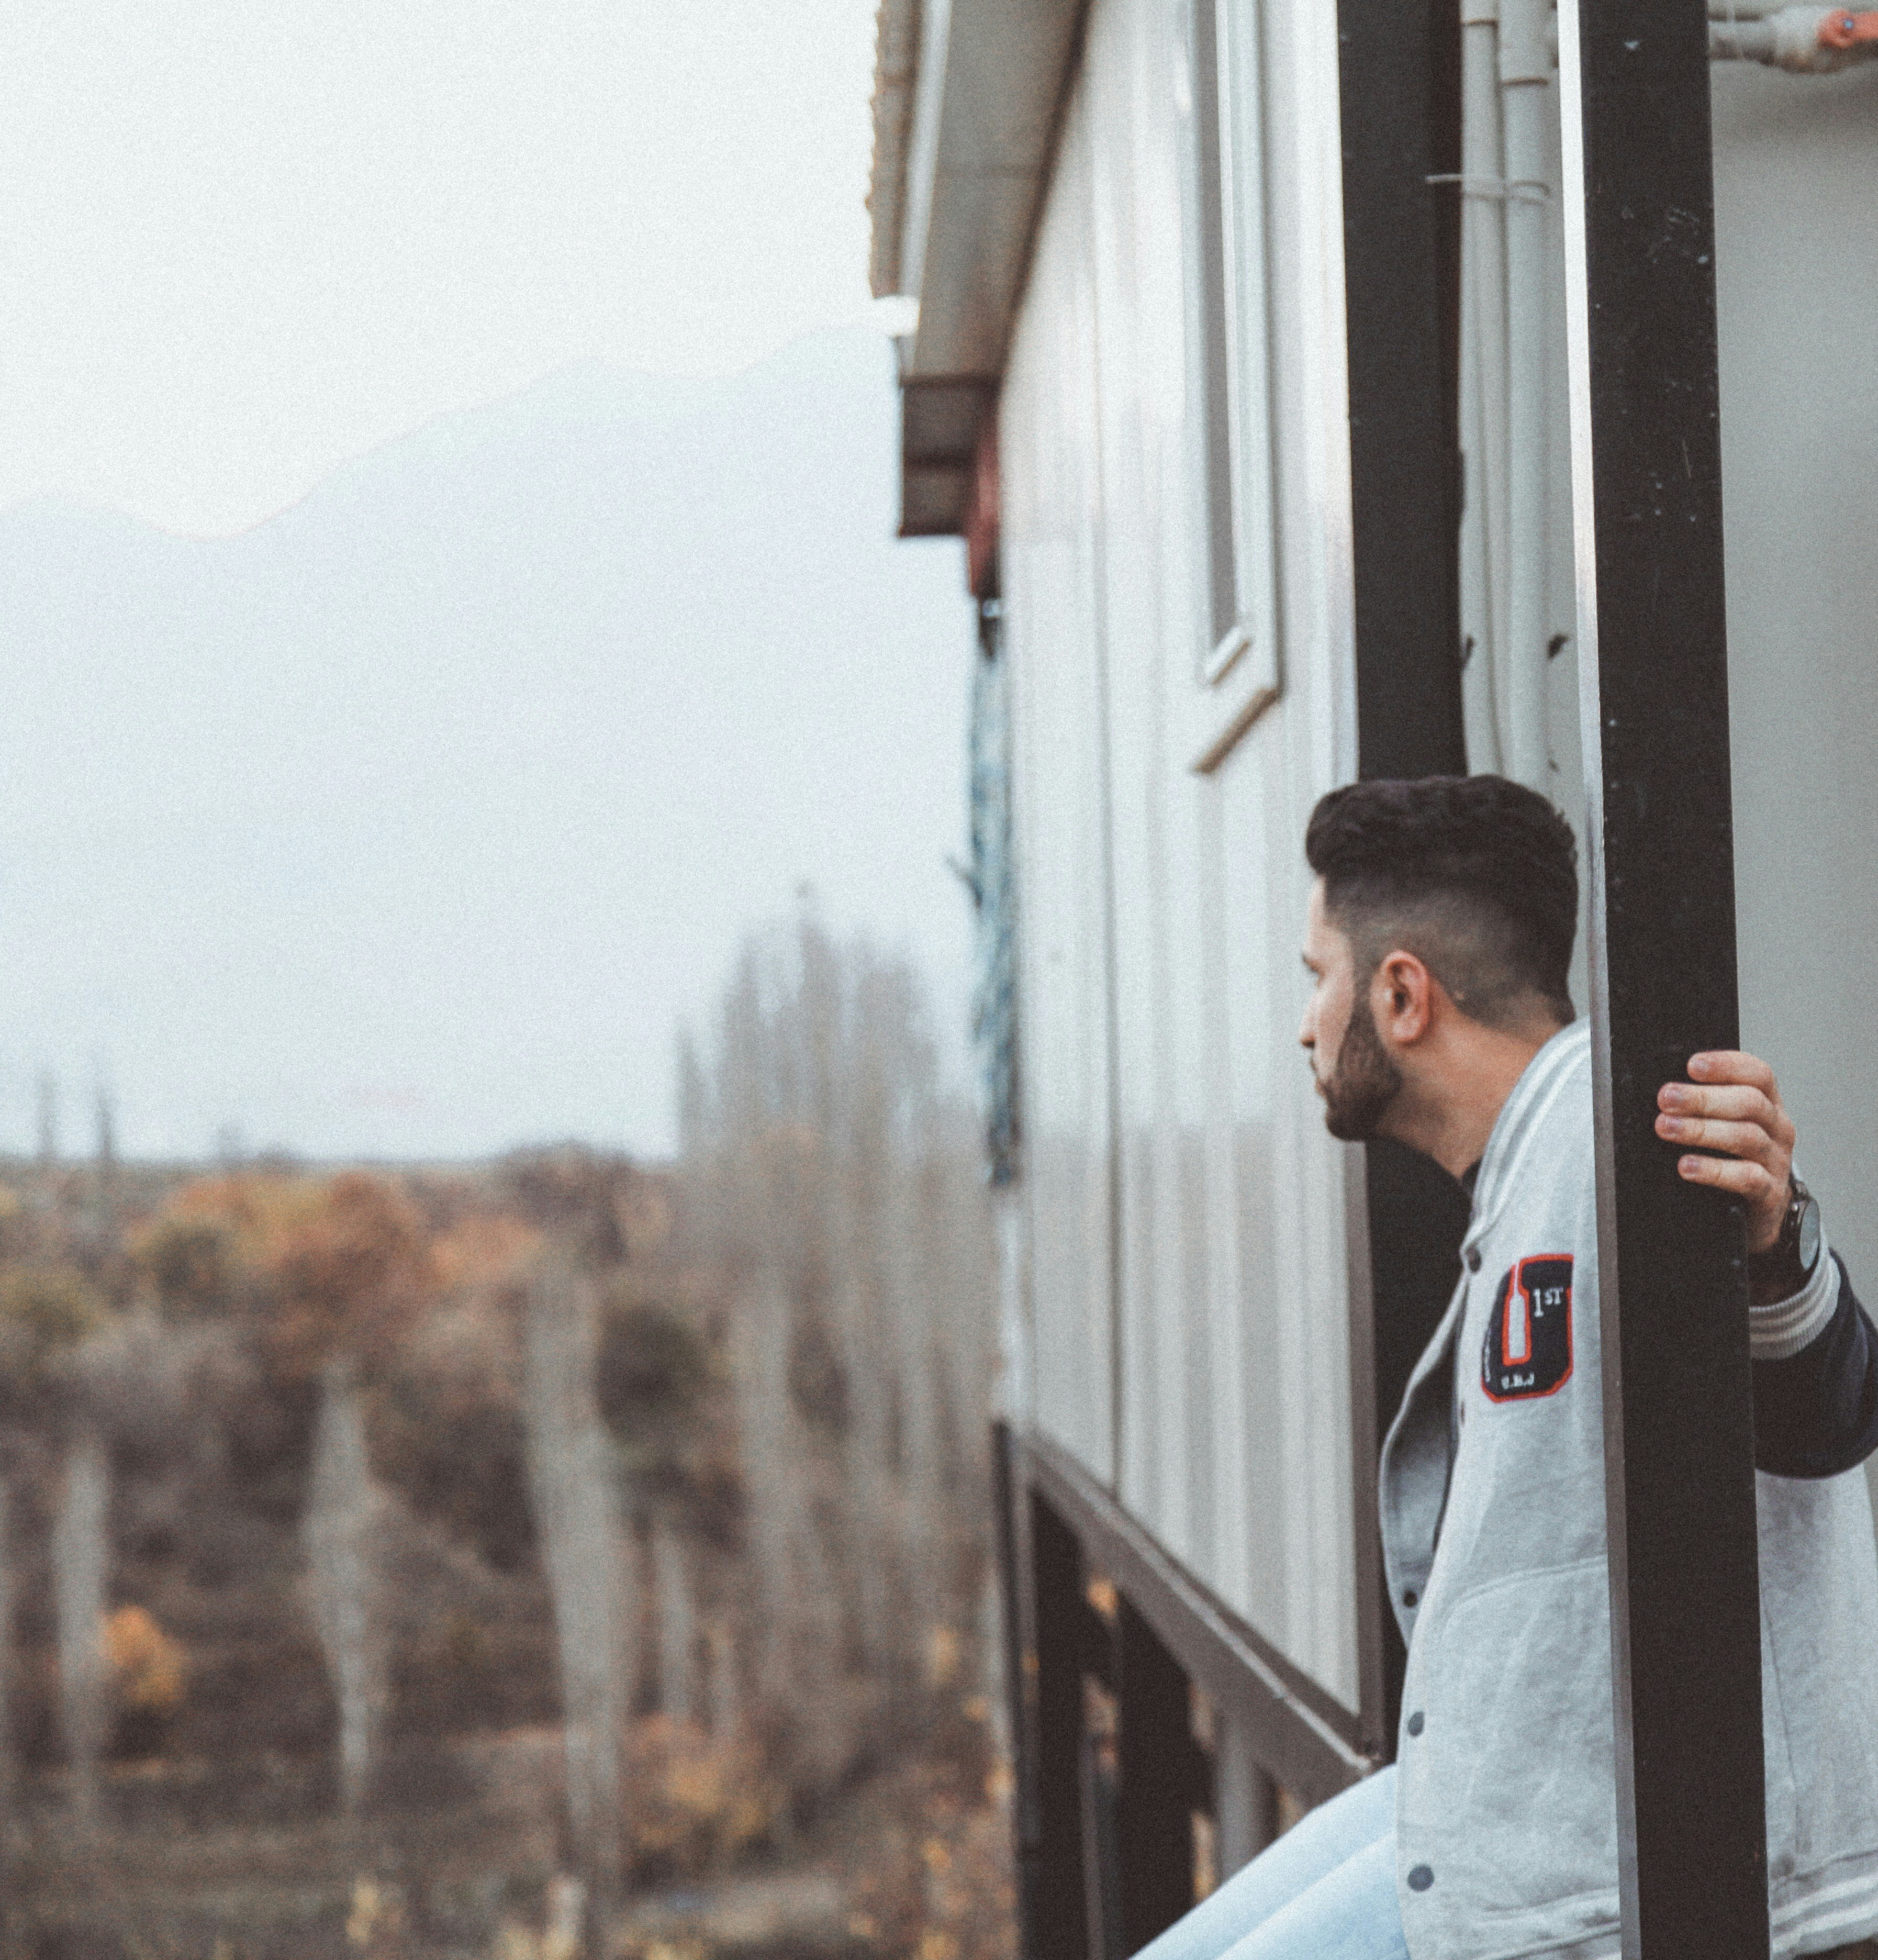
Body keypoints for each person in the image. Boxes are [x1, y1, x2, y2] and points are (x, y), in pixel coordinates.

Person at [1138, 776, 1878, 1960]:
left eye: (1317, 977)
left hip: (1607, 1883)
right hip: (1507, 1825)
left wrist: (1777, 1240)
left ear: (1402, 995)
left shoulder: (1623, 1132)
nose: (1306, 1025)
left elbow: (1822, 1410)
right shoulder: (1534, 1166)